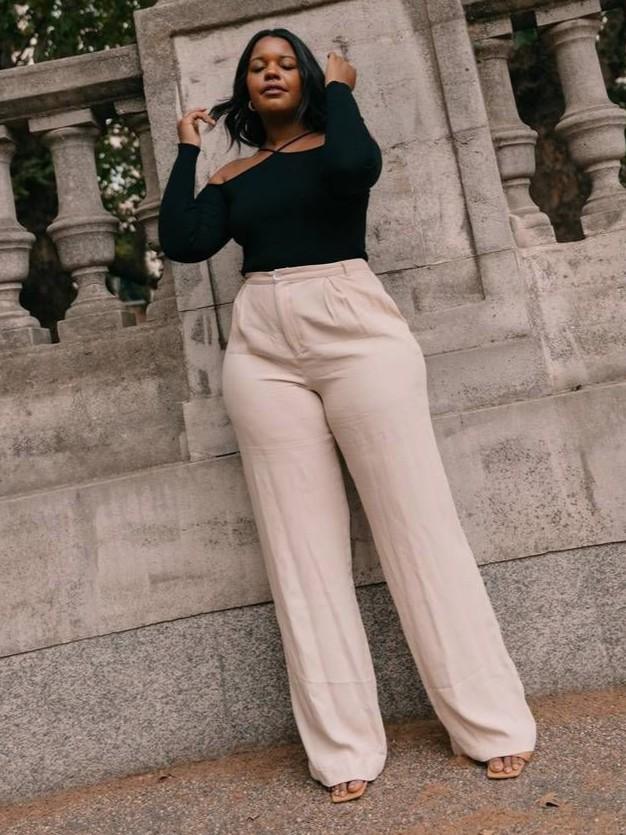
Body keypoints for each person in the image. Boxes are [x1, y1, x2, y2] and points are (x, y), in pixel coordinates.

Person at [157, 26, 537, 804]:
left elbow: (355, 167)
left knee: (418, 527)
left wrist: (341, 87)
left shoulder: (337, 145)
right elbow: (184, 241)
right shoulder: (232, 173)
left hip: (355, 328)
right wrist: (189, 151)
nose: (271, 73)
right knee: (300, 552)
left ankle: (492, 722)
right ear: (244, 85)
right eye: (257, 66)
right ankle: (342, 747)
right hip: (262, 346)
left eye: (285, 64)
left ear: (305, 78)